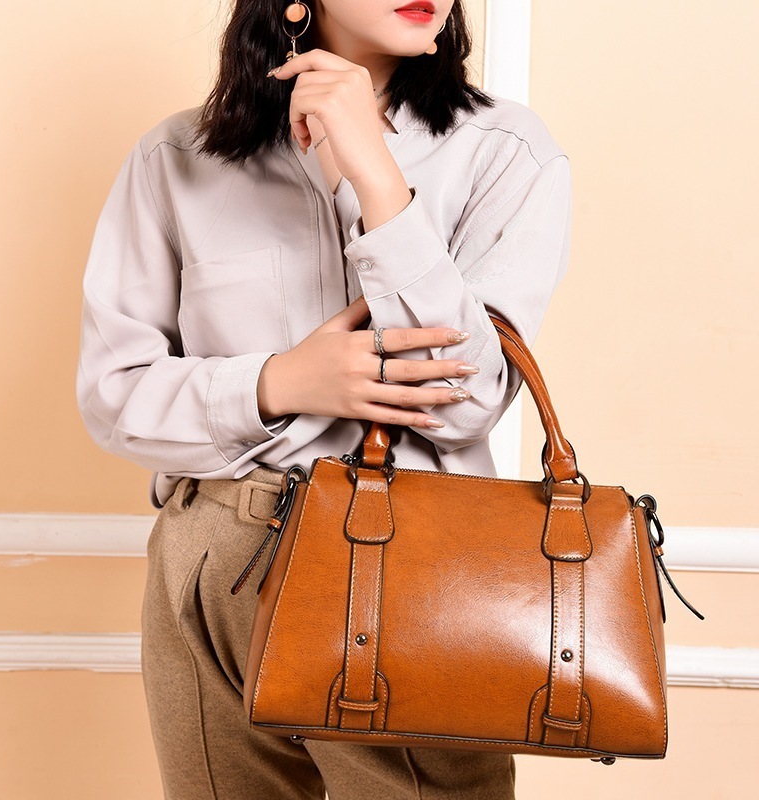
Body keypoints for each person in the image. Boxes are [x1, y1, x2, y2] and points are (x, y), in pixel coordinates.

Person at [76, 1, 572, 797]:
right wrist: (279, 382)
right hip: (212, 560)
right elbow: (114, 393)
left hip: (409, 570)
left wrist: (375, 174)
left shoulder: (505, 152)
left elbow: (468, 397)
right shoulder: (177, 158)